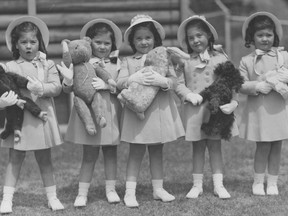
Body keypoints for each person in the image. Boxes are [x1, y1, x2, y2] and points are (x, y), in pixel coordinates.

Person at [117, 14, 184, 208]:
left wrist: (163, 82)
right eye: (138, 38)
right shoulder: (128, 62)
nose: (144, 42)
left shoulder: (164, 59)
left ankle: (158, 188)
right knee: (136, 151)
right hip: (137, 113)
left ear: (155, 39)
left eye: (148, 37)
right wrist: (132, 78)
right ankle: (130, 192)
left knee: (157, 150)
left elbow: (174, 81)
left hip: (158, 113)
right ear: (132, 41)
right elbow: (120, 82)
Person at [0, 16, 64, 213]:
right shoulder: (9, 68)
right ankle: (7, 199)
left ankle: (52, 197)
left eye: (33, 42)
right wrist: (1, 103)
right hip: (18, 121)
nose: (28, 46)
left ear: (40, 43)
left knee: (44, 159)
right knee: (15, 159)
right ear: (16, 45)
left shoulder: (48, 65)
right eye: (24, 42)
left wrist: (42, 87)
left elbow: (57, 88)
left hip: (41, 118)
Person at [58, 18, 123, 207]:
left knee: (111, 152)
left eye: (107, 43)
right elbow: (68, 89)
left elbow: (122, 86)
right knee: (89, 154)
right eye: (98, 42)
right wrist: (68, 80)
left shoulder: (117, 63)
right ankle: (82, 193)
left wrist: (108, 86)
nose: (102, 46)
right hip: (87, 113)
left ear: (113, 44)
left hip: (108, 111)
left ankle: (111, 190)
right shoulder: (79, 63)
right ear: (89, 43)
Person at [175, 15, 239, 199]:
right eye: (191, 37)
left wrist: (233, 102)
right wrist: (188, 94)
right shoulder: (184, 60)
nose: (195, 40)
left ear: (209, 36)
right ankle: (197, 185)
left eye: (199, 35)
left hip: (215, 111)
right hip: (195, 110)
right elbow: (177, 83)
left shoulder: (220, 57)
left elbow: (231, 82)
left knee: (215, 146)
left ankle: (219, 185)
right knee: (197, 148)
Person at [239, 11, 288, 196]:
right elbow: (240, 85)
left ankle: (273, 182)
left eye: (269, 34)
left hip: (279, 108)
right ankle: (258, 181)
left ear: (275, 36)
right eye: (260, 35)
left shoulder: (283, 57)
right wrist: (257, 85)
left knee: (277, 146)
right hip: (260, 110)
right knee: (263, 146)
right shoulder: (247, 61)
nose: (265, 39)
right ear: (252, 37)